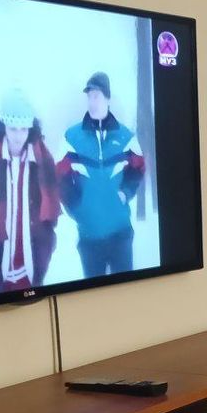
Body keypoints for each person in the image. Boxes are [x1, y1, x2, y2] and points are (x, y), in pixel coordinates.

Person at [0, 89, 60, 293]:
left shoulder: (44, 162)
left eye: (23, 129)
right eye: (13, 129)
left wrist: (45, 246)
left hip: (31, 271)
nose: (18, 137)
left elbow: (51, 216)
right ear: (3, 127)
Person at [58, 72, 145, 277]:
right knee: (94, 294)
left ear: (108, 98)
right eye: (89, 96)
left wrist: (126, 192)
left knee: (126, 292)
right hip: (89, 239)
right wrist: (74, 205)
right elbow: (59, 174)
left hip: (121, 235)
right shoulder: (71, 137)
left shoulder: (125, 136)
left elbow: (138, 166)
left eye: (96, 96)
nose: (92, 101)